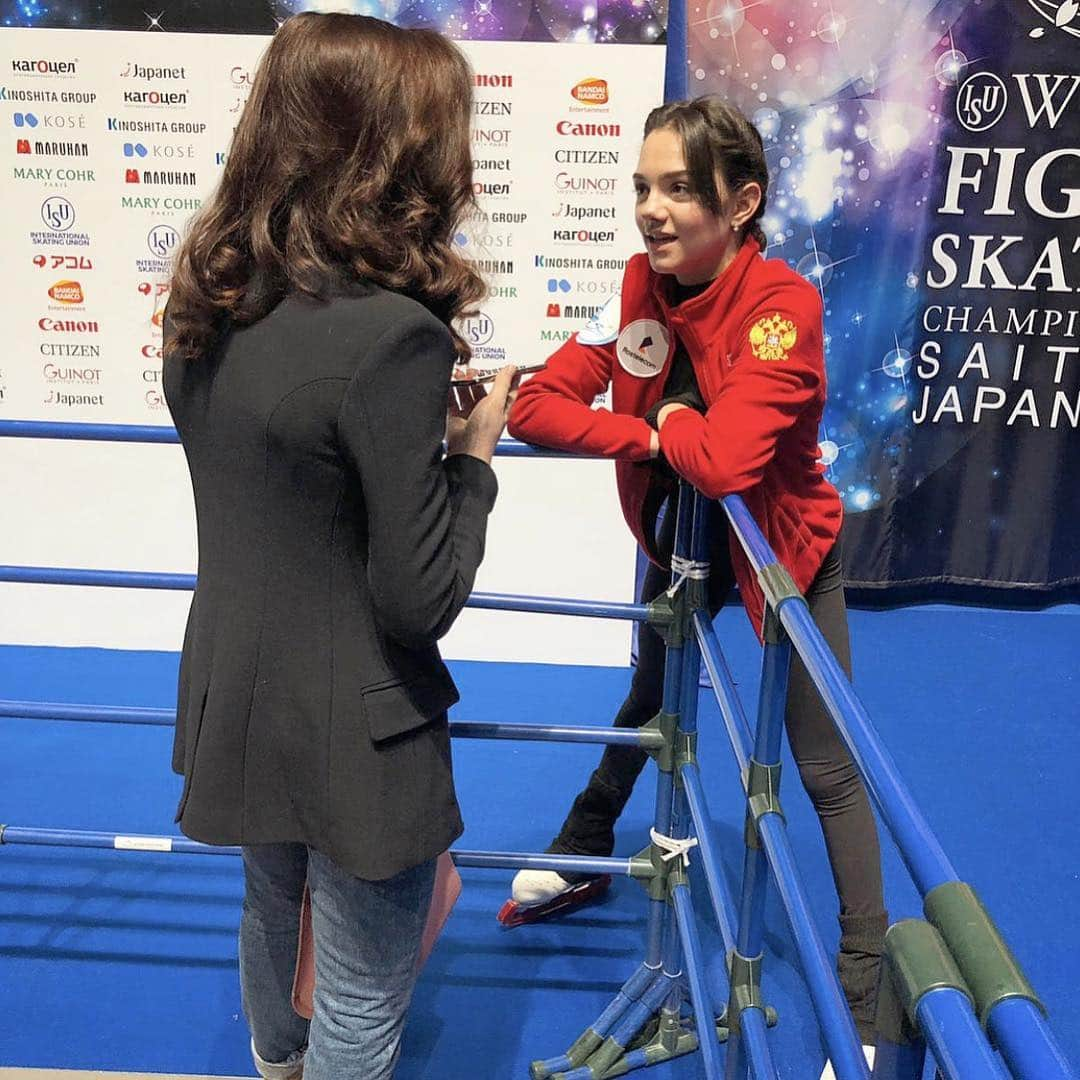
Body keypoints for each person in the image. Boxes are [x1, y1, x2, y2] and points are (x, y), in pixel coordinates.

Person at [162, 14, 515, 1079]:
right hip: (359, 730)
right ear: (394, 148)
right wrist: (475, 462)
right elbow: (420, 597)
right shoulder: (393, 335)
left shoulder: (211, 300)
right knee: (363, 989)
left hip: (240, 686)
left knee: (274, 911)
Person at [506, 96, 888, 1075]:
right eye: (643, 185)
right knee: (648, 699)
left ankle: (866, 996)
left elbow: (723, 459)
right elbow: (538, 405)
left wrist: (676, 435)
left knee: (827, 770)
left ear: (743, 200)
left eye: (679, 188)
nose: (652, 209)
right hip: (683, 544)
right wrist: (648, 433)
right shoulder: (640, 284)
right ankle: (585, 845)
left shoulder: (781, 308)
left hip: (786, 556)